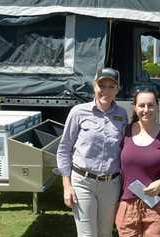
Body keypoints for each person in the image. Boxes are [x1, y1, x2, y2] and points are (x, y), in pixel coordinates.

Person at [57, 67, 128, 237]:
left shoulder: (122, 114)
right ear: (94, 86)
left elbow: (125, 149)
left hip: (111, 184)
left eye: (111, 86)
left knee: (105, 234)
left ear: (117, 89)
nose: (106, 91)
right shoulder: (78, 112)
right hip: (83, 182)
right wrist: (67, 186)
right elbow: (64, 149)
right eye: (101, 85)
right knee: (87, 235)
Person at [115, 88, 160, 237]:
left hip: (158, 204)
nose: (146, 109)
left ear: (157, 107)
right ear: (134, 107)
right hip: (128, 204)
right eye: (142, 105)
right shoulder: (125, 132)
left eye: (151, 105)